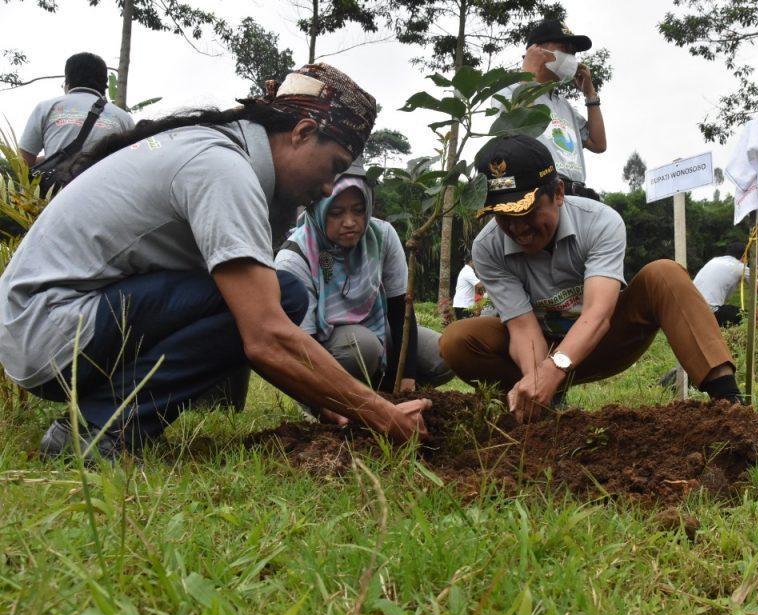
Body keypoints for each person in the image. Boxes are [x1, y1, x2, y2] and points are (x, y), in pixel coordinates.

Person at [0, 63, 430, 463]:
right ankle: (101, 430)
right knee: (281, 296)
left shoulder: (219, 150)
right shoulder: (222, 169)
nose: (328, 188)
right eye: (334, 167)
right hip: (51, 330)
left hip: (49, 327)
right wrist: (379, 412)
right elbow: (266, 336)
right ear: (301, 132)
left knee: (279, 293)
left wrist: (324, 401)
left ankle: (108, 418)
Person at [439, 135, 742, 423]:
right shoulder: (487, 247)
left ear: (558, 193)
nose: (518, 230)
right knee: (457, 339)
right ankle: (539, 405)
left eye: (527, 213)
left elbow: (598, 314)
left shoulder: (600, 222)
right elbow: (521, 328)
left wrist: (555, 367)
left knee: (664, 273)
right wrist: (539, 380)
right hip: (541, 344)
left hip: (603, 341)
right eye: (503, 217)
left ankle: (730, 402)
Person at [275, 166, 453, 391]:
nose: (349, 222)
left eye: (358, 210)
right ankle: (339, 399)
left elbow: (400, 311)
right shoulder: (295, 257)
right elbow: (302, 344)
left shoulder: (381, 236)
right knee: (362, 348)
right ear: (318, 211)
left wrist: (406, 378)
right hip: (324, 343)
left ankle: (385, 394)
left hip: (377, 328)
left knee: (444, 355)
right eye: (336, 213)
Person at [493, 19, 606, 200]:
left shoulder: (563, 105)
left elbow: (598, 144)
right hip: (540, 194)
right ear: (537, 50)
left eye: (573, 52)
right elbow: (513, 128)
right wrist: (528, 72)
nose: (571, 57)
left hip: (575, 194)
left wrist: (590, 94)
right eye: (565, 48)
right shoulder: (510, 90)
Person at [18, 52, 134, 166]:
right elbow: (133, 161)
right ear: (105, 85)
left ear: (67, 81)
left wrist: (52, 159)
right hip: (108, 183)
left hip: (59, 184)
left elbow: (23, 162)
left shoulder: (46, 108)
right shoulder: (123, 118)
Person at [692, 241, 758, 328]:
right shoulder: (740, 267)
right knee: (750, 319)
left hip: (691, 309)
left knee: (730, 311)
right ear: (744, 257)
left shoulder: (714, 261)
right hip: (710, 311)